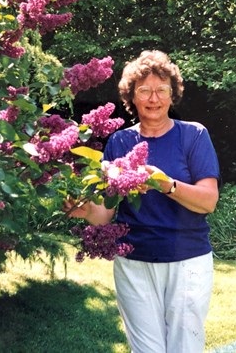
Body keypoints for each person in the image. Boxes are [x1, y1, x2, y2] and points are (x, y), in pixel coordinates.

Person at [64, 50, 220, 353]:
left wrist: (167, 184)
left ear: (172, 95)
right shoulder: (120, 142)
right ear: (131, 97)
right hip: (133, 262)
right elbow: (104, 215)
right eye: (144, 90)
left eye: (162, 90)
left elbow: (208, 201)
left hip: (187, 261)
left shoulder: (194, 135)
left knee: (184, 346)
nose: (153, 98)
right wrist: (82, 209)